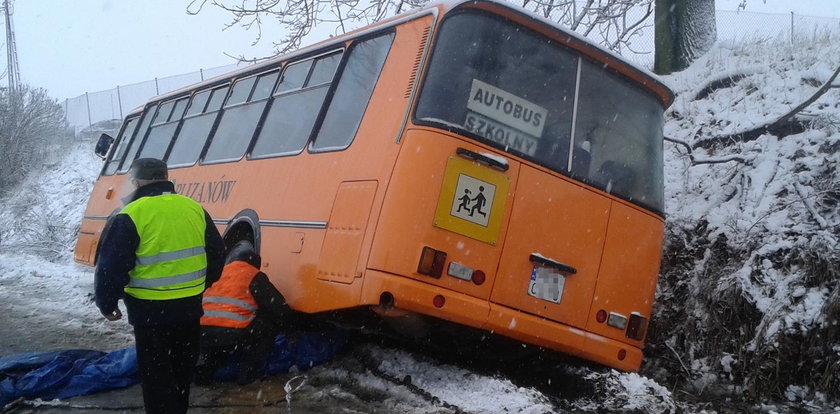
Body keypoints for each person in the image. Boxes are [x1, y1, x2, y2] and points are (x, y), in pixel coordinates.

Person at [94, 158, 225, 414]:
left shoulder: (132, 213)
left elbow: (112, 265)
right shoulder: (193, 208)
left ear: (137, 180)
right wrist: (201, 284)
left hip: (149, 311)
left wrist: (107, 302)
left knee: (156, 375)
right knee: (181, 370)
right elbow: (217, 252)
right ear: (165, 177)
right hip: (189, 306)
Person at [196, 240, 291, 385]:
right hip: (231, 332)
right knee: (268, 324)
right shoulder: (253, 274)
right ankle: (248, 374)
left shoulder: (220, 272)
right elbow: (278, 308)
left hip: (202, 332)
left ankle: (206, 372)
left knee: (216, 348)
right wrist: (292, 326)